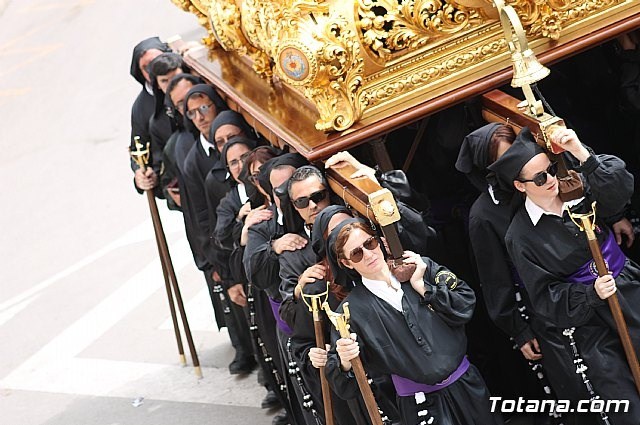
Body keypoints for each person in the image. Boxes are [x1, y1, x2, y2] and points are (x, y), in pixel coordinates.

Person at [489, 126, 640, 424]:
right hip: (589, 323)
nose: (551, 181)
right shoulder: (520, 236)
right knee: (623, 402)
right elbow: (545, 296)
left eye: (551, 170)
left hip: (629, 292)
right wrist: (590, 293)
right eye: (540, 178)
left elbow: (619, 189)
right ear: (521, 186)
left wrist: (580, 152)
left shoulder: (576, 187)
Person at [326, 220, 503, 425]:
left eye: (370, 244)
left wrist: (423, 287)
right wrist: (346, 361)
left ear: (379, 241)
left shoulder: (420, 267)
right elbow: (343, 386)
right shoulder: (350, 313)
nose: (368, 254)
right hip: (421, 407)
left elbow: (465, 303)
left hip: (469, 387)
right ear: (347, 263)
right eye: (357, 253)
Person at [128, 36, 170, 195]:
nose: (153, 70)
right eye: (146, 67)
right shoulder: (140, 107)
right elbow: (137, 148)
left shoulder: (187, 82)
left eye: (156, 62)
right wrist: (140, 173)